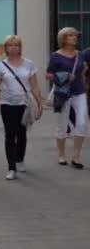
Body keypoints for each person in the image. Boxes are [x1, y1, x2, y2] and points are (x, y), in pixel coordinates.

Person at [0, 35, 43, 180]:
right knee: (9, 135)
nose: (13, 47)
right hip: (7, 105)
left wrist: (40, 103)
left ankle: (19, 159)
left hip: (24, 105)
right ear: (6, 47)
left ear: (20, 47)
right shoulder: (0, 66)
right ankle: (11, 167)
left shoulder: (29, 64)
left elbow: (34, 86)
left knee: (21, 134)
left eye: (16, 45)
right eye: (10, 45)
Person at [47, 27, 86, 168]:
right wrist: (63, 75)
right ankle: (61, 155)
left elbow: (82, 72)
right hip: (63, 94)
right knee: (62, 125)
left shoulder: (80, 55)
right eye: (71, 35)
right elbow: (48, 74)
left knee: (81, 123)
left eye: (76, 35)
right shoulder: (56, 56)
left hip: (79, 92)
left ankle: (76, 157)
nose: (75, 37)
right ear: (63, 38)